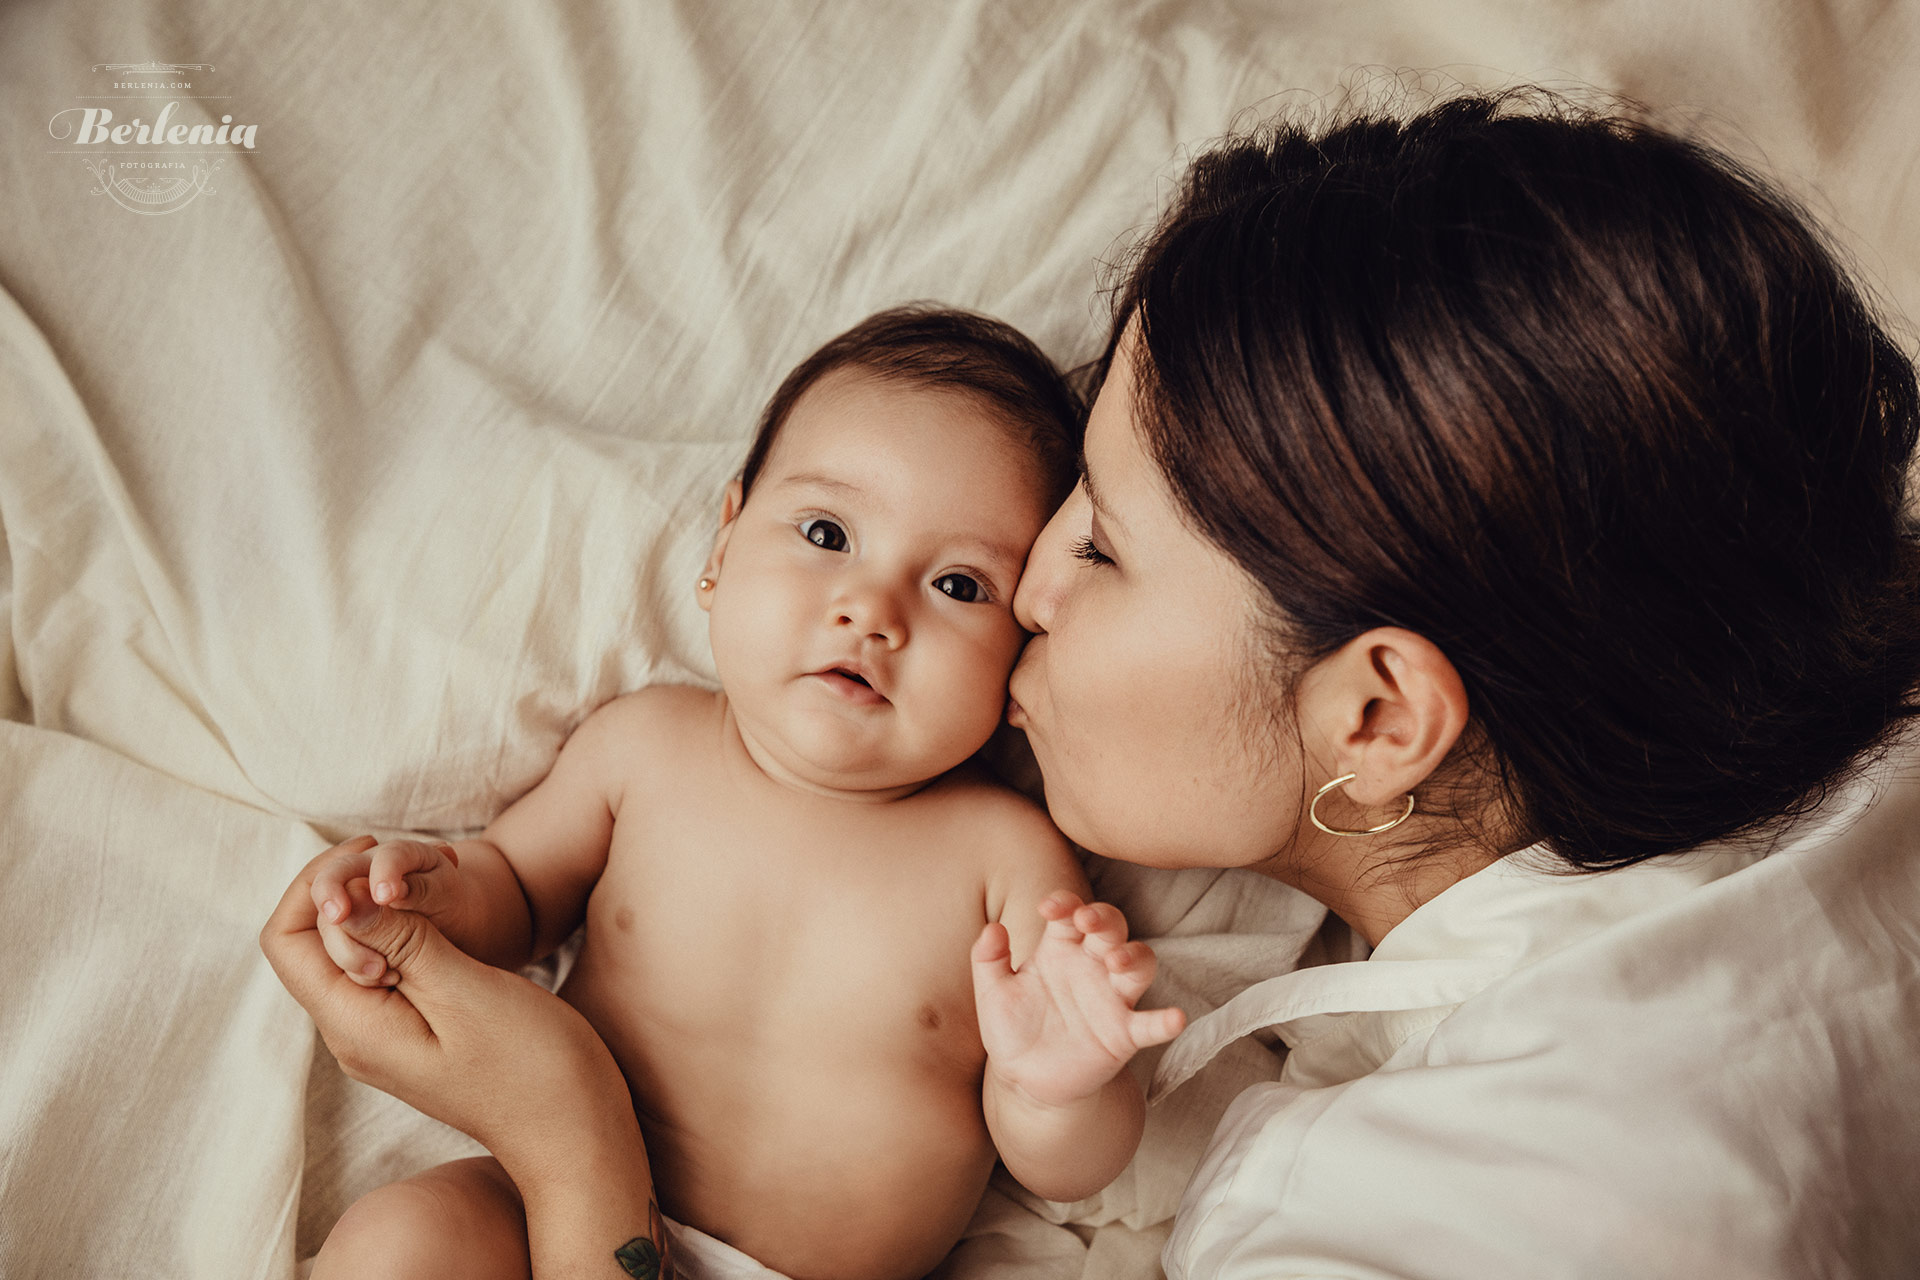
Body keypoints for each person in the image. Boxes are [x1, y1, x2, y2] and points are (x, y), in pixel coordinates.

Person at [265, 89, 1920, 1279]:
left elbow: (1065, 1120)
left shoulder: (1445, 1216)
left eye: (1092, 550)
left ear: (1377, 718)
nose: (1019, 600)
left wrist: (566, 1131)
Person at [270, 305, 1187, 1280]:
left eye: (960, 585)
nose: (871, 611)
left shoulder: (1007, 857)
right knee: (400, 1240)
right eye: (828, 531)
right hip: (540, 1210)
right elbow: (518, 893)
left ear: (1022, 653)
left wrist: (1060, 1088)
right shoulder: (644, 746)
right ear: (721, 546)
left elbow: (1071, 1165)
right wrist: (426, 891)